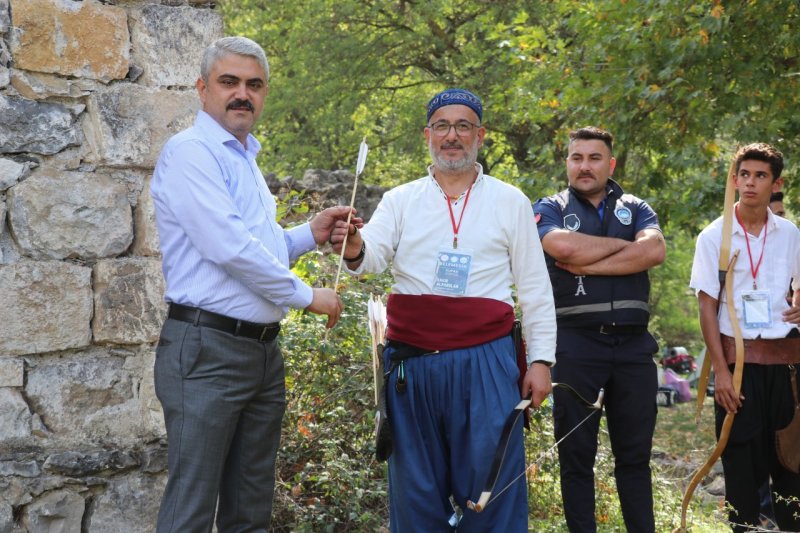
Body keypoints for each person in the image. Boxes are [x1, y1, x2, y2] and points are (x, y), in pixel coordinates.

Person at [150, 36, 357, 532]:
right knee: (191, 511)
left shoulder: (245, 158)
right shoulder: (191, 153)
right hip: (206, 350)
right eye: (229, 82)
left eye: (254, 85)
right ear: (202, 89)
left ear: (264, 94)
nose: (242, 94)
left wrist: (311, 233)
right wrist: (309, 297)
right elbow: (229, 249)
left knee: (250, 512)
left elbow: (259, 249)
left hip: (262, 353)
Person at [330, 88, 557, 532]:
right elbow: (369, 256)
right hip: (412, 368)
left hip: (488, 365)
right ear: (427, 135)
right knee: (417, 495)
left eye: (463, 126)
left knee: (493, 492)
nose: (452, 136)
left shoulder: (510, 200)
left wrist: (541, 360)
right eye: (442, 126)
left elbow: (534, 287)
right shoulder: (401, 200)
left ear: (480, 135)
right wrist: (354, 244)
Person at [533, 126, 666, 533]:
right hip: (575, 344)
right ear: (567, 163)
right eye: (577, 158)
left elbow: (655, 251)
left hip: (633, 348)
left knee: (634, 456)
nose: (584, 166)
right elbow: (564, 248)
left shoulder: (636, 206)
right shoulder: (549, 206)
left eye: (594, 158)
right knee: (576, 456)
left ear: (610, 164)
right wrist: (627, 252)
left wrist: (588, 261)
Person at [690, 143, 800, 532]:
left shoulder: (790, 234)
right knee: (740, 464)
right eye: (744, 175)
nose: (751, 183)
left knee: (791, 462)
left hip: (786, 365)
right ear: (735, 180)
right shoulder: (714, 236)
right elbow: (707, 308)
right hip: (736, 367)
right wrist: (721, 372)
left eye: (761, 176)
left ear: (776, 183)